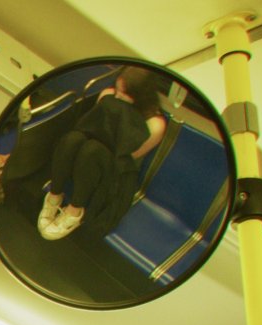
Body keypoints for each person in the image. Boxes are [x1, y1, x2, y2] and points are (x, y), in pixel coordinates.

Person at [38, 67, 167, 240]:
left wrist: (124, 120)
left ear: (139, 96)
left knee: (92, 150)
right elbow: (92, 126)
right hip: (88, 155)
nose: (117, 96)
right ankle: (54, 195)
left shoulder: (154, 124)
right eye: (118, 90)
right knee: (72, 139)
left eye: (124, 94)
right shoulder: (109, 95)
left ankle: (75, 211)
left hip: (117, 171)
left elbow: (130, 155)